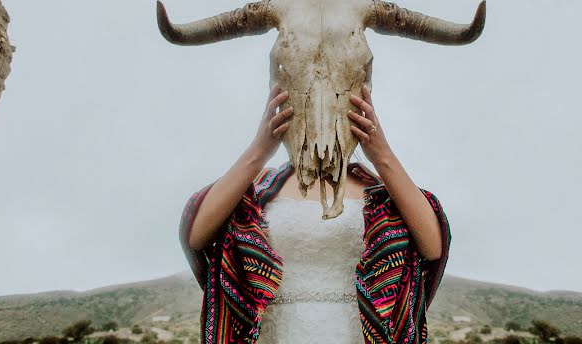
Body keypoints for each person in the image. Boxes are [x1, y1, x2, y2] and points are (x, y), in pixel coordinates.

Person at [179, 83, 451, 344]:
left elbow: (433, 247)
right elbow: (196, 235)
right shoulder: (257, 186)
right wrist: (259, 150)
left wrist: (382, 155)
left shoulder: (383, 190)